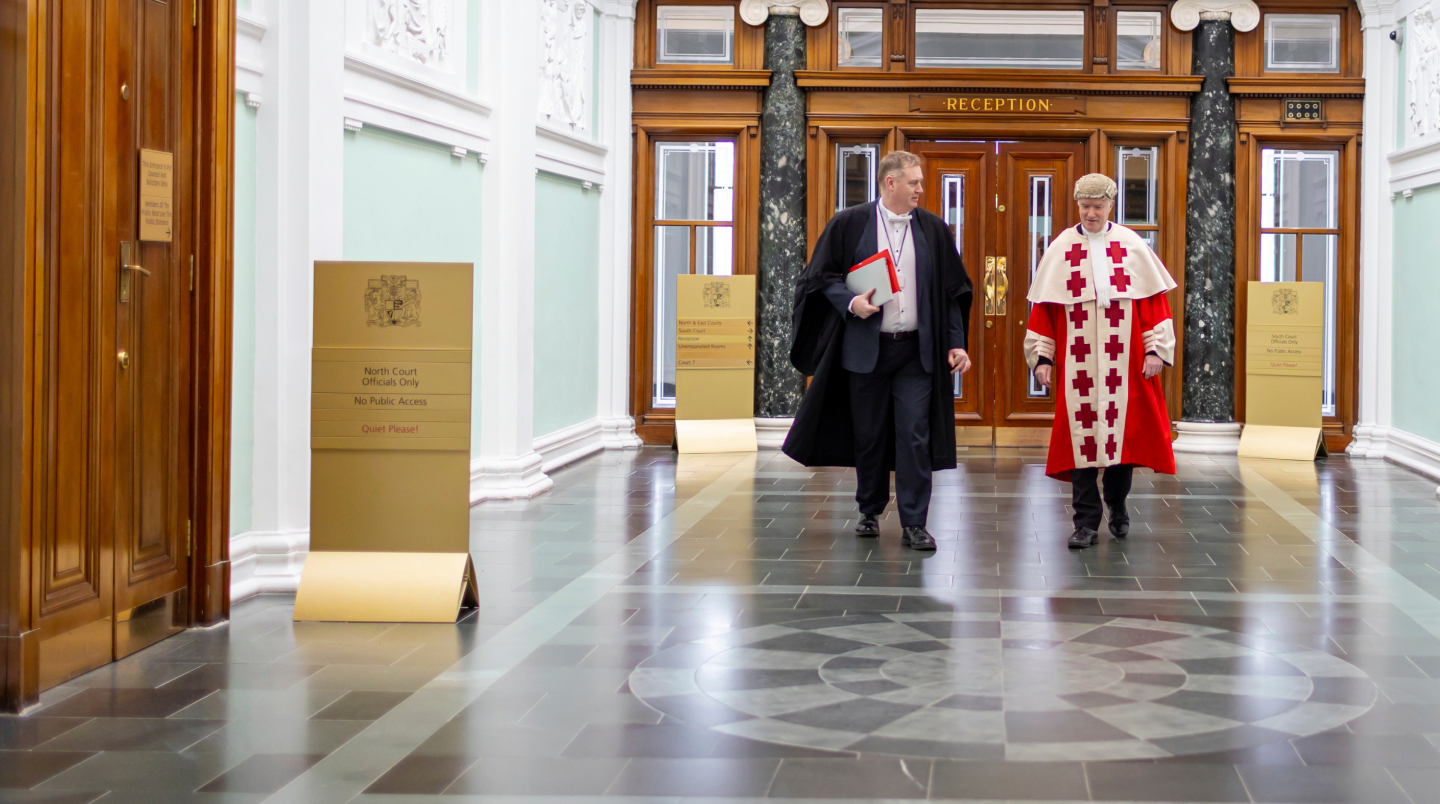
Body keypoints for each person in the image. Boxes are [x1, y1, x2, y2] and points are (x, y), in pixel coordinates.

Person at [783, 151, 973, 551]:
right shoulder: (849, 224)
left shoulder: (935, 229)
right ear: (891, 183)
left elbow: (953, 293)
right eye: (915, 182)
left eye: (921, 182)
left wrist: (956, 342)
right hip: (866, 349)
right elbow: (819, 278)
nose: (922, 189)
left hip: (915, 353)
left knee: (914, 436)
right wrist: (852, 303)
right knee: (869, 436)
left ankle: (915, 523)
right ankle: (869, 510)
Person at [1023, 173, 1177, 549]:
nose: (1091, 214)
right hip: (1078, 365)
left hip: (1125, 362)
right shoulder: (1061, 246)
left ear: (1111, 205)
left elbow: (1152, 303)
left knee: (1122, 442)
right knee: (1081, 443)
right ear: (1078, 205)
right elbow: (1045, 308)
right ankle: (1086, 523)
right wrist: (1043, 357)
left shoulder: (1130, 244)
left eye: (1098, 206)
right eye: (1085, 206)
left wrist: (1155, 350)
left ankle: (1117, 504)